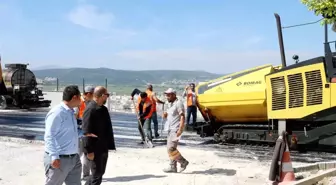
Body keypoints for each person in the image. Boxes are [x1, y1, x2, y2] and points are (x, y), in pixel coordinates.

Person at [43, 85, 82, 185]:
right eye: (80, 97)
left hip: (74, 158)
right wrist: (54, 156)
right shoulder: (57, 113)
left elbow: (70, 133)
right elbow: (49, 135)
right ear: (74, 97)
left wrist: (85, 133)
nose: (81, 100)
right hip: (60, 159)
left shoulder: (71, 112)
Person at [82, 86, 116, 185]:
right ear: (101, 95)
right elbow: (86, 131)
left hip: (103, 147)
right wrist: (89, 150)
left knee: (99, 173)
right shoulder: (90, 109)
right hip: (95, 148)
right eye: (107, 95)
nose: (107, 97)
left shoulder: (103, 109)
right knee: (96, 174)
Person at [162, 88, 189, 173]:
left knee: (171, 149)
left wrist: (180, 129)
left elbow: (182, 116)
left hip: (175, 129)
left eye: (169, 95)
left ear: (174, 95)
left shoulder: (178, 103)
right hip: (170, 128)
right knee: (169, 148)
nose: (167, 97)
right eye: (166, 95)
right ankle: (173, 167)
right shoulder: (170, 104)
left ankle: (183, 162)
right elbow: (170, 115)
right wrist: (165, 115)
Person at [75, 86, 94, 180]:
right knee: (79, 154)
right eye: (93, 94)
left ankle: (86, 175)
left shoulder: (92, 104)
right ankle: (75, 175)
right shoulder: (80, 104)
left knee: (87, 154)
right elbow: (74, 118)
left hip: (89, 133)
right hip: (81, 134)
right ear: (89, 94)